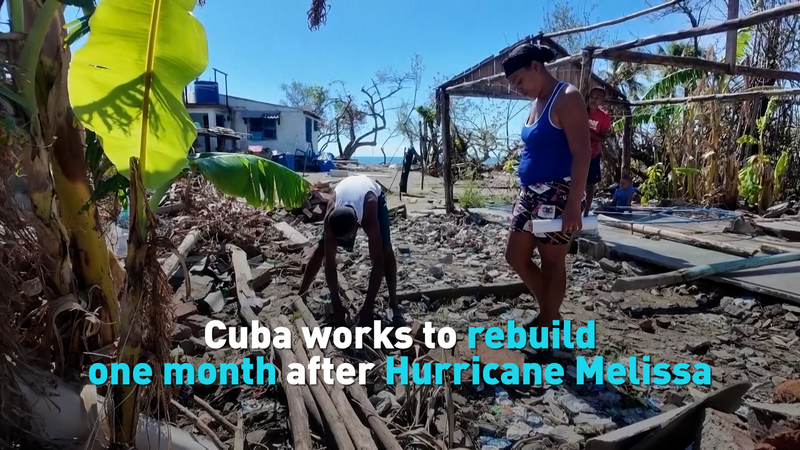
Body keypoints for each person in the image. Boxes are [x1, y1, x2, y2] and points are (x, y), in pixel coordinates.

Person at [501, 43, 591, 343]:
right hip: (530, 194)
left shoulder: (566, 97)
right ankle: (551, 315)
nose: (517, 89)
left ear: (536, 67)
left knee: (552, 263)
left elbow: (582, 153)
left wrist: (574, 205)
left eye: (519, 82)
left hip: (558, 193)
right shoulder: (536, 101)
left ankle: (547, 325)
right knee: (514, 255)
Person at [297, 175, 403, 327]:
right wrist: (336, 302)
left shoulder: (369, 216)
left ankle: (393, 302)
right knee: (322, 248)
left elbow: (378, 262)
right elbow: (329, 264)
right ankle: (301, 294)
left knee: (385, 248)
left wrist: (368, 307)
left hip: (371, 194)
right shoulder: (330, 217)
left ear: (357, 229)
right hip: (344, 190)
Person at [585, 87, 611, 218]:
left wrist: (588, 133)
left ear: (602, 101)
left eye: (597, 98)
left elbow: (603, 138)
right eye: (591, 97)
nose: (593, 100)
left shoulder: (604, 117)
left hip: (593, 154)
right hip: (577, 153)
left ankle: (585, 213)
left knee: (590, 185)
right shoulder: (581, 111)